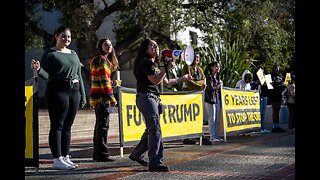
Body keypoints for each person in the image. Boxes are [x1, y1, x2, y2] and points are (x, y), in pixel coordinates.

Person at [129, 38, 191, 172]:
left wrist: (183, 78)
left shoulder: (154, 65)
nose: (155, 48)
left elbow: (166, 82)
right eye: (152, 46)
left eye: (156, 46)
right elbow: (156, 80)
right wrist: (166, 68)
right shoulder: (145, 62)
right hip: (147, 97)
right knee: (155, 129)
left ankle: (136, 154)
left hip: (154, 99)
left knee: (151, 130)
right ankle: (156, 162)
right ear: (145, 49)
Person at [31, 25, 86, 170]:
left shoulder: (73, 53)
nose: (66, 39)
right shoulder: (50, 53)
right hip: (57, 90)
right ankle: (57, 158)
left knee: (68, 126)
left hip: (74, 91)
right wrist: (38, 69)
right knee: (57, 125)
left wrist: (83, 94)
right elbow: (47, 75)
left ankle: (66, 156)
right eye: (63, 36)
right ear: (56, 36)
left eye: (68, 36)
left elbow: (79, 75)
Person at [88, 37, 121, 162]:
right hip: (102, 98)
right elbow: (103, 81)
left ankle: (98, 153)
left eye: (110, 45)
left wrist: (114, 83)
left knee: (100, 125)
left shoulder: (100, 60)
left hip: (98, 97)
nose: (109, 47)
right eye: (106, 45)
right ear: (100, 47)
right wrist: (111, 97)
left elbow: (104, 80)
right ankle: (102, 154)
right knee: (103, 126)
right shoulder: (102, 60)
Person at [181, 52, 211, 145]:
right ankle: (187, 137)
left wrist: (199, 83)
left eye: (198, 57)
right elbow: (189, 82)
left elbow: (203, 80)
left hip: (197, 96)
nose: (196, 59)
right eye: (194, 57)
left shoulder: (200, 70)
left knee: (197, 116)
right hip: (188, 95)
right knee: (188, 116)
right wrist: (199, 85)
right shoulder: (187, 67)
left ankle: (198, 135)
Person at [204, 61, 224, 143]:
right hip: (210, 100)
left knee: (217, 119)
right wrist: (219, 85)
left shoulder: (218, 77)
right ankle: (212, 136)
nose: (218, 68)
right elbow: (210, 88)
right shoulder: (209, 77)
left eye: (218, 66)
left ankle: (216, 135)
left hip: (217, 99)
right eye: (216, 66)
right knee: (212, 119)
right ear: (211, 67)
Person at [251, 66, 271, 134]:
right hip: (258, 97)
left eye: (262, 70)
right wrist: (256, 82)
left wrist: (268, 81)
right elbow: (251, 86)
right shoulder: (254, 77)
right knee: (258, 113)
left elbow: (270, 87)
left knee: (263, 113)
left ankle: (262, 127)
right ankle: (257, 128)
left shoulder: (266, 76)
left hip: (265, 96)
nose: (261, 71)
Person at [269, 64, 286, 133]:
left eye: (277, 68)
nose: (276, 69)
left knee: (278, 111)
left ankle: (277, 126)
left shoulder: (280, 75)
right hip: (273, 96)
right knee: (275, 111)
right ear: (273, 69)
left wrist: (284, 85)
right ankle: (274, 126)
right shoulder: (269, 76)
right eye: (275, 68)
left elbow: (283, 85)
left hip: (279, 95)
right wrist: (279, 84)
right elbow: (269, 86)